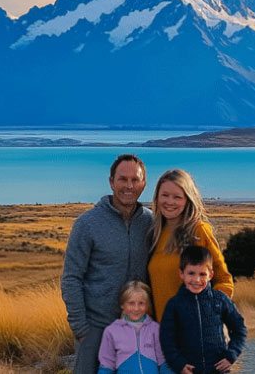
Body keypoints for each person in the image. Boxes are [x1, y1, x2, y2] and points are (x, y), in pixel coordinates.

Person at [61, 154, 154, 374]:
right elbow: (71, 278)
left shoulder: (151, 223)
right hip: (95, 329)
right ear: (111, 181)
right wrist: (82, 329)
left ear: (144, 184)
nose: (129, 186)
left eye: (135, 180)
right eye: (123, 179)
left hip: (137, 328)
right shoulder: (87, 224)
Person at [147, 169, 233, 322]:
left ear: (188, 199)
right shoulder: (155, 233)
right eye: (165, 195)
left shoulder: (199, 231)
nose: (170, 202)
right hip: (163, 335)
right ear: (157, 197)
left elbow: (224, 279)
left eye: (177, 197)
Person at [159, 246, 247, 374]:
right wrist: (179, 364)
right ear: (181, 274)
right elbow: (167, 339)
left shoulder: (220, 300)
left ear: (210, 275)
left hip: (218, 370)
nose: (196, 280)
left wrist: (231, 355)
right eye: (191, 273)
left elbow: (240, 329)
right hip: (190, 370)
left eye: (202, 274)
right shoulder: (174, 305)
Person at [97, 281, 172, 374]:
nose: (136, 308)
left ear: (147, 305)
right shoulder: (111, 331)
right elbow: (106, 366)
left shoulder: (155, 329)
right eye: (131, 303)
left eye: (141, 303)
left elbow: (164, 363)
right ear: (122, 305)